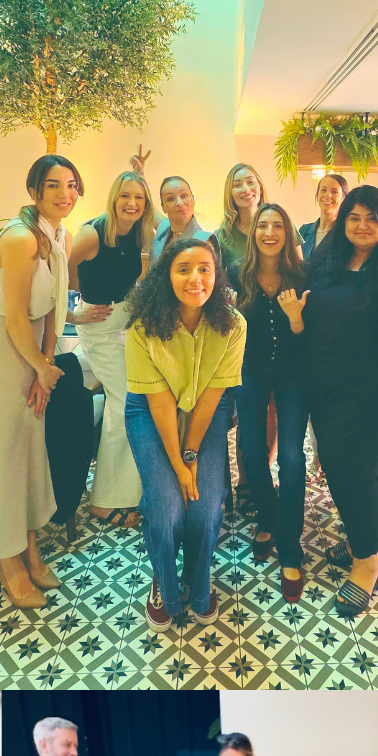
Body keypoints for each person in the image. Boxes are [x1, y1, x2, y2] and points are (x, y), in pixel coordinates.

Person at [278, 185, 378, 617]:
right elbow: (311, 318)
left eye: (373, 218)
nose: (362, 226)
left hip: (370, 396)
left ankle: (368, 562)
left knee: (354, 474)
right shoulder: (330, 263)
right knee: (340, 470)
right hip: (325, 391)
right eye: (354, 218)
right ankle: (367, 538)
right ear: (343, 221)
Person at [0, 155, 77, 607]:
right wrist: (39, 366)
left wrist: (46, 367)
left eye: (72, 185)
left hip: (31, 351)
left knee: (29, 453)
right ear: (34, 190)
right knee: (1, 458)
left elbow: (55, 307)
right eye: (53, 185)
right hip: (0, 352)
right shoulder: (19, 239)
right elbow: (14, 318)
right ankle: (5, 560)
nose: (64, 194)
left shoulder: (57, 237)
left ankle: (27, 546)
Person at [125, 236, 246, 630]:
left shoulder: (233, 324)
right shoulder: (143, 328)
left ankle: (198, 581)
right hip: (149, 411)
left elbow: (212, 398)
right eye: (183, 269)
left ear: (216, 275)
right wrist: (178, 466)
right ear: (167, 277)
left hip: (205, 417)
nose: (196, 278)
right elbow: (159, 404)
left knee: (207, 505)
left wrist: (190, 455)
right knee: (165, 506)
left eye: (204, 269)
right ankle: (164, 580)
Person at [230, 203, 309, 597]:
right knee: (250, 451)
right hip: (250, 369)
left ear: (288, 232)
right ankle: (269, 517)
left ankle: (290, 547)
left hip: (295, 373)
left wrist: (296, 318)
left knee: (292, 459)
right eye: (263, 225)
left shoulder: (302, 274)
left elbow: (311, 335)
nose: (270, 232)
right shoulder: (236, 276)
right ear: (253, 233)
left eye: (278, 224)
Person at [67, 170, 154, 527]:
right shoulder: (91, 234)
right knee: (126, 401)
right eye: (125, 196)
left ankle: (129, 491)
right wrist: (73, 314)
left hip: (127, 321)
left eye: (139, 197)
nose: (132, 203)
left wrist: (143, 175)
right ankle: (104, 500)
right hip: (100, 328)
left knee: (134, 399)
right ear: (112, 198)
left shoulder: (139, 231)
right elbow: (56, 273)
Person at [215, 164, 293, 271]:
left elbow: (297, 270)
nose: (246, 189)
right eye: (237, 185)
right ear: (230, 193)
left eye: (250, 182)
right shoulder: (222, 237)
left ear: (260, 188)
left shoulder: (283, 224)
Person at [149, 176, 219, 262]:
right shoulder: (164, 228)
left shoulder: (204, 241)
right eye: (171, 199)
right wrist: (140, 175)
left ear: (193, 199)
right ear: (163, 207)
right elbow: (150, 209)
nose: (179, 203)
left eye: (184, 195)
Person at [298, 172, 348, 261]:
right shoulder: (304, 231)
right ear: (317, 195)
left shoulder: (345, 233)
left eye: (334, 192)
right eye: (323, 190)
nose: (328, 195)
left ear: (343, 199)